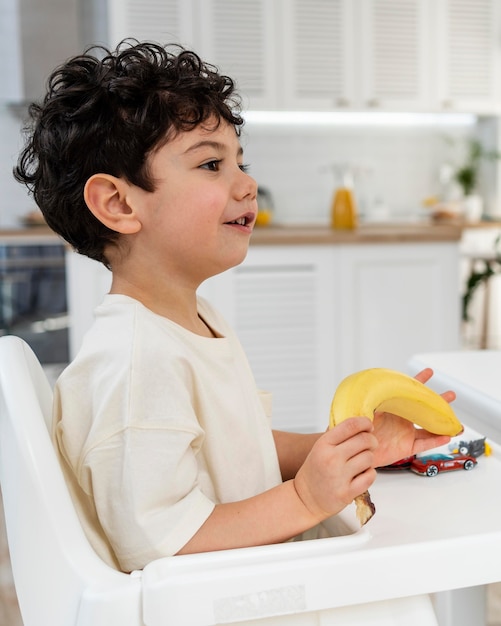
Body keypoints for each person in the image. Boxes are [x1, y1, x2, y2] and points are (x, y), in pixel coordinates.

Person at [14, 40, 455, 573]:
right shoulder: (134, 364)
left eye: (239, 163)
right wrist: (306, 499)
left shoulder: (190, 322)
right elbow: (159, 543)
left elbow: (234, 444)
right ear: (119, 203)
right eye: (211, 164)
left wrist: (348, 449)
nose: (247, 185)